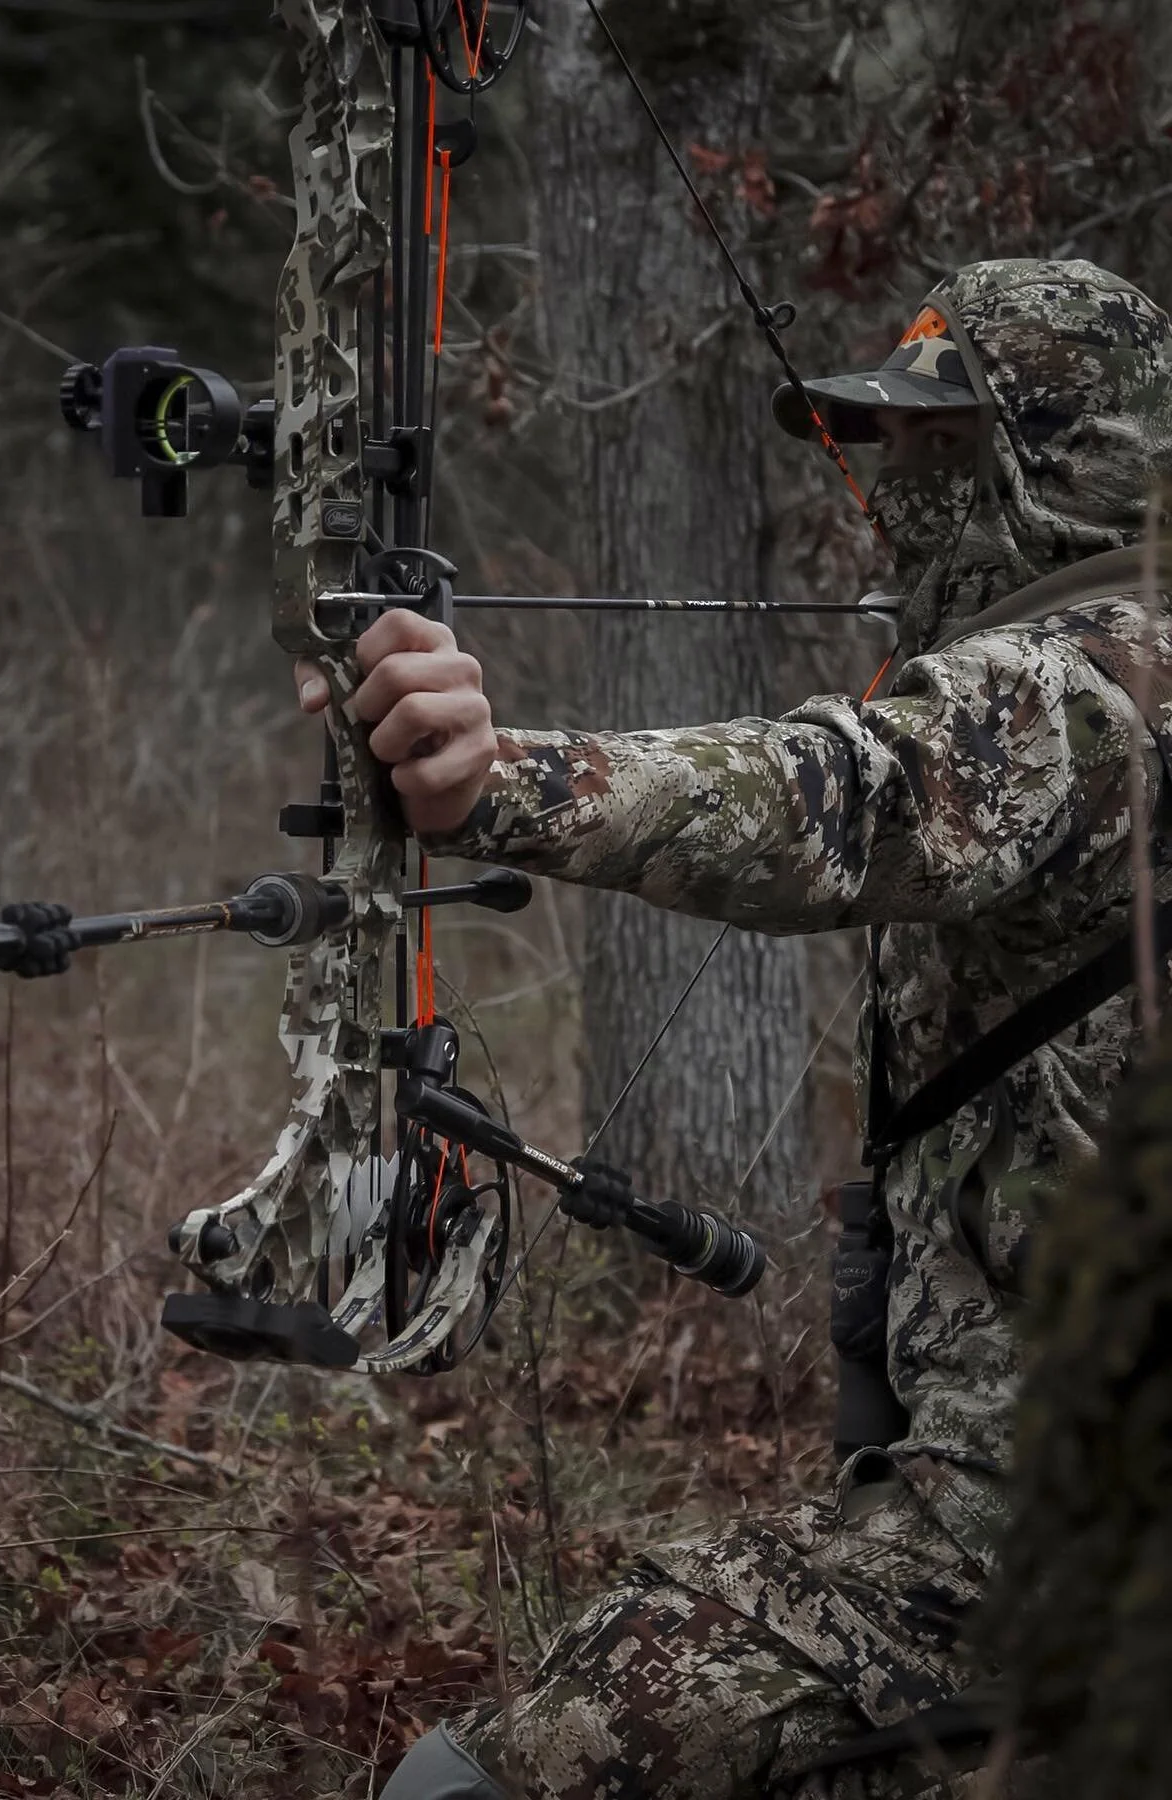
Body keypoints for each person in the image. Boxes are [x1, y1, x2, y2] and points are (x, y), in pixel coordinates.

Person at [298, 258, 1172, 1799]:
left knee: (485, 1781)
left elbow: (845, 796)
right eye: (886, 444)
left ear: (1059, 467)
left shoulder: (1092, 691)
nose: (893, 492)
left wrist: (498, 780)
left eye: (940, 446)